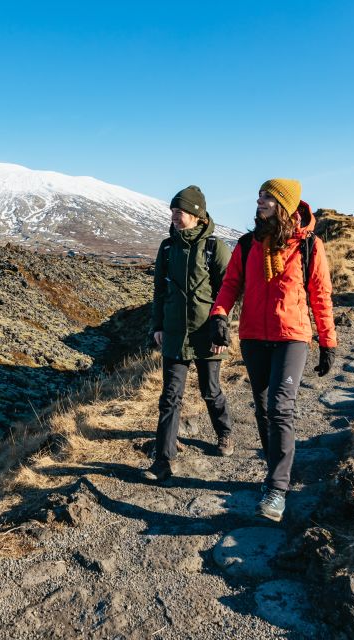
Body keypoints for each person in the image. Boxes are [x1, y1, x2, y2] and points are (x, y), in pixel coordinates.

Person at [209, 179, 337, 521]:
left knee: (281, 409)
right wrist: (218, 315)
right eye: (259, 196)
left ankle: (278, 489)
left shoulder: (309, 246)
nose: (259, 201)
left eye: (266, 197)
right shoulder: (248, 244)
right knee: (264, 409)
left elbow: (320, 295)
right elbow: (231, 284)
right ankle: (273, 474)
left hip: (292, 336)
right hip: (253, 337)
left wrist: (327, 342)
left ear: (283, 204)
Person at [144, 185, 232, 482]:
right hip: (173, 333)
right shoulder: (167, 247)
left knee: (211, 390)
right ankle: (163, 460)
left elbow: (229, 291)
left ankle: (225, 434)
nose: (174, 217)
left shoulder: (214, 248)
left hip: (206, 332)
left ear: (196, 215)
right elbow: (158, 290)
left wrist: (221, 329)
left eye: (179, 212)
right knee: (170, 396)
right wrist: (157, 326)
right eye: (172, 212)